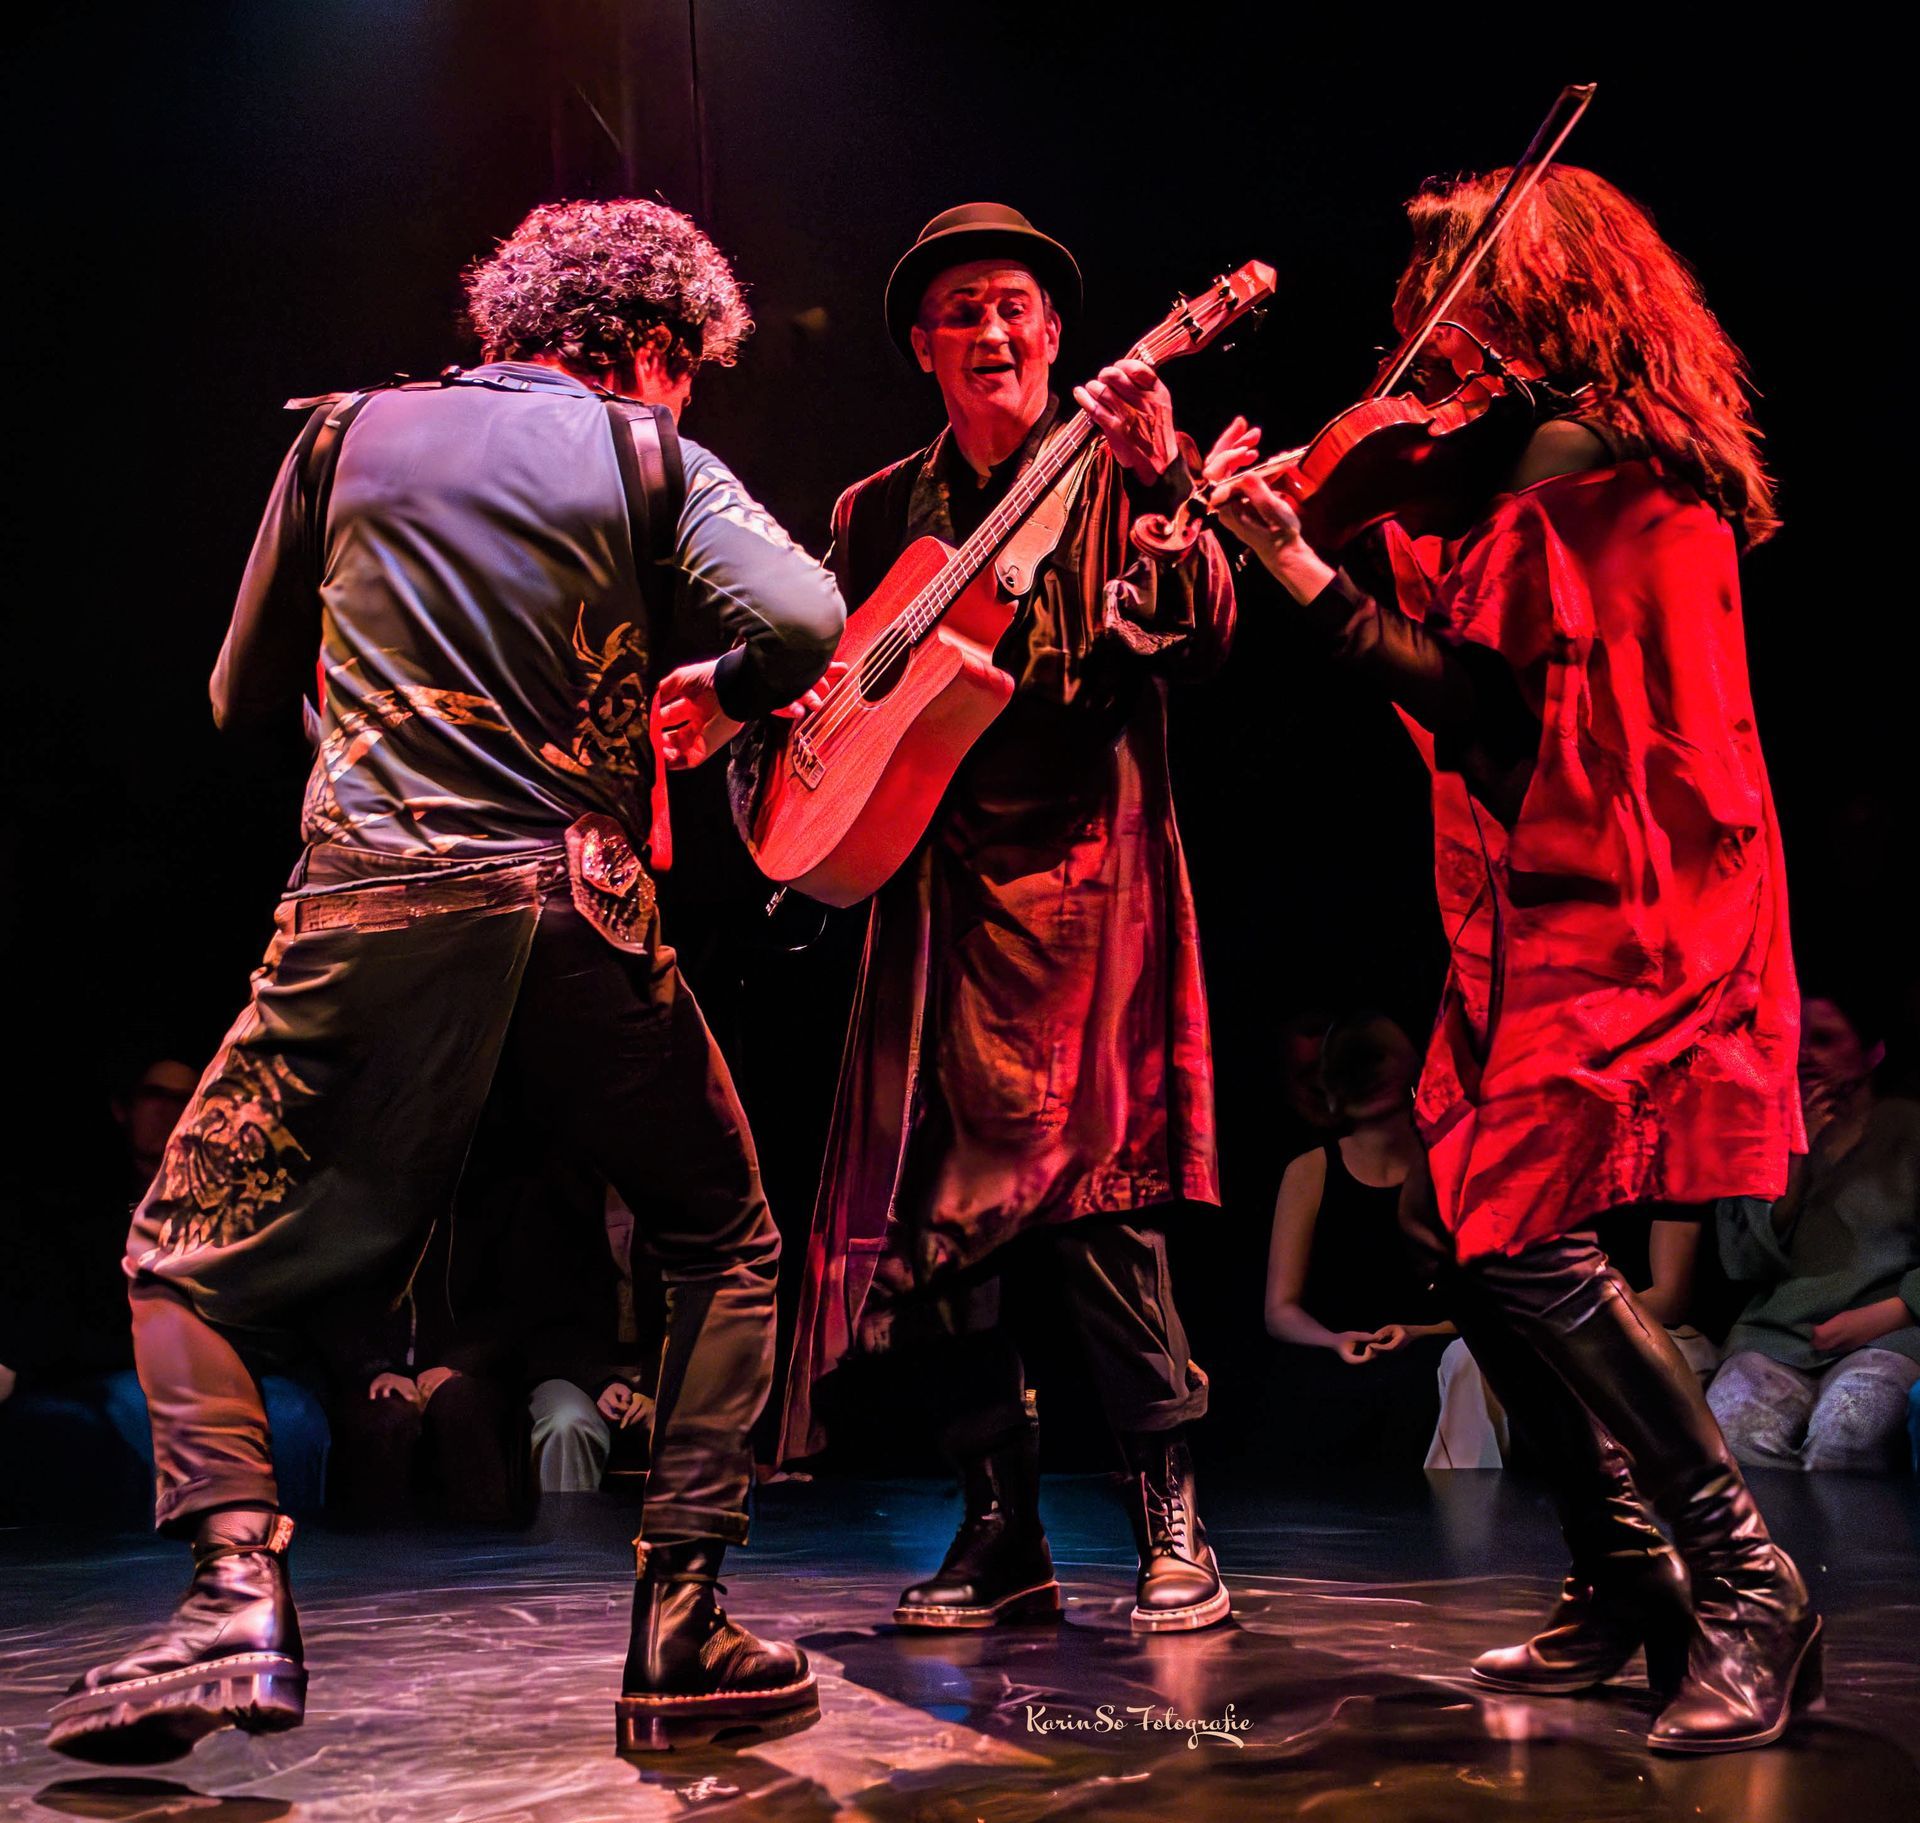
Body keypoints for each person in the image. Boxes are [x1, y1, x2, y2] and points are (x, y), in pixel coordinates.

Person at [49, 199, 845, 1765]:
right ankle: (682, 1623)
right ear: (654, 347)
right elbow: (807, 619)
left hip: (363, 899)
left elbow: (239, 694)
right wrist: (725, 682)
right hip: (575, 908)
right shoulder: (644, 449)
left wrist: (374, 738)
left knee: (179, 1256)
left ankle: (232, 1592)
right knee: (722, 1234)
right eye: (690, 370)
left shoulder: (338, 438)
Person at [1212, 165, 1814, 1751]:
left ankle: (1747, 1584)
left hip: (1623, 889)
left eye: (1443, 311)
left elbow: (1484, 708)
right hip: (1565, 883)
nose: (1421, 352)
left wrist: (1297, 566)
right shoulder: (1589, 450)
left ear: (1531, 298)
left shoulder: (1580, 458)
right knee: (1466, 1229)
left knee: (1528, 1234)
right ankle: (1622, 1573)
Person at [758, 204, 1239, 1632]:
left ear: (1057, 334)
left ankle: (1172, 1520)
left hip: (1089, 884)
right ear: (923, 346)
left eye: (1014, 305)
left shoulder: (1117, 470)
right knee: (934, 1232)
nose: (992, 330)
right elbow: (832, 681)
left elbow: (1202, 633)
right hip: (933, 895)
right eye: (962, 310)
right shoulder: (874, 512)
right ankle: (1001, 1528)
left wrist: (1169, 487)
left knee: (1100, 1208)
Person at [0, 1053, 329, 1528]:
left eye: (186, 1099)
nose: (170, 1111)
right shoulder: (76, 1212)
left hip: (219, 1371)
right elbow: (56, 1320)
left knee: (291, 1413)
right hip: (120, 1369)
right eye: (156, 1096)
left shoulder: (235, 1209)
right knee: (145, 1412)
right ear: (123, 1109)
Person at [1710, 997, 1920, 1471]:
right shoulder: (1763, 1135)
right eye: (1794, 1040)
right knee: (1733, 1437)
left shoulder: (1909, 1130)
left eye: (1823, 1040)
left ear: (1872, 1052)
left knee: (1849, 1431)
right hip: (1777, 1337)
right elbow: (1742, 1262)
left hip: (1888, 1334)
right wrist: (1796, 1154)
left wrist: (1897, 1310)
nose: (1804, 1054)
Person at [1263, 1013, 1453, 1467]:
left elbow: (1491, 1306)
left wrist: (1420, 1333)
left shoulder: (1449, 1166)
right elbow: (1280, 1310)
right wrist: (1332, 1340)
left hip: (1437, 1369)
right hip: (1335, 1376)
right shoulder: (1310, 1170)